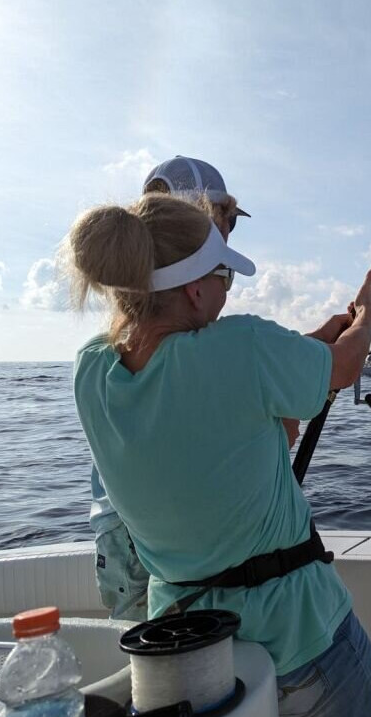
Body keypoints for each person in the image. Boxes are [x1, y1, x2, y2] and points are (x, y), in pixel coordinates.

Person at [70, 192, 371, 716]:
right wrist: (365, 319)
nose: (229, 288)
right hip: (299, 639)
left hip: (186, 656)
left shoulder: (92, 372)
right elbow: (343, 367)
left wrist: (310, 343)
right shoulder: (243, 347)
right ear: (196, 290)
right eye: (225, 275)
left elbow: (212, 405)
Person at [89, 156, 253, 621]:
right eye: (226, 220)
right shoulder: (192, 321)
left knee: (154, 678)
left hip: (121, 534)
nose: (226, 236)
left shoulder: (103, 352)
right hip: (167, 549)